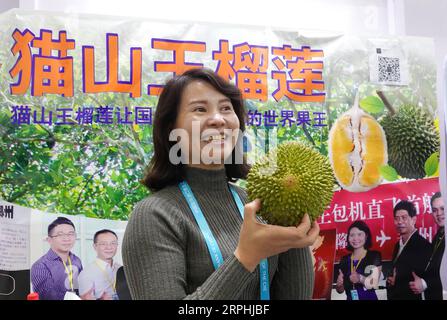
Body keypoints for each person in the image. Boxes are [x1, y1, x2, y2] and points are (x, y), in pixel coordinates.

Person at [122, 68, 319, 300]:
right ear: (171, 131)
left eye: (226, 108)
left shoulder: (260, 203)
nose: (218, 119)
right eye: (200, 109)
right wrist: (245, 257)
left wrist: (295, 231)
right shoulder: (154, 215)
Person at [386, 200, 431, 300]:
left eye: (404, 217)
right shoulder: (397, 245)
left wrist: (397, 280)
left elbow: (427, 278)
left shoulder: (423, 245)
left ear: (414, 220)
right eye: (397, 218)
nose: (400, 222)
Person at [31, 217, 83, 300]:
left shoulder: (76, 260)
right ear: (49, 240)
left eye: (70, 234)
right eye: (60, 234)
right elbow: (47, 296)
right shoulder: (40, 266)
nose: (66, 239)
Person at [408, 192, 445, 300]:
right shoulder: (438, 236)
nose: (439, 213)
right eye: (435, 210)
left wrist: (425, 283)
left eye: (443, 208)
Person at [335, 221, 382, 300]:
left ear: (366, 236)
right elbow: (340, 291)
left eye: (359, 234)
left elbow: (374, 283)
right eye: (352, 235)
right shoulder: (344, 260)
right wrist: (339, 285)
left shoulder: (374, 256)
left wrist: (360, 278)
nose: (355, 238)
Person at [78, 229, 122, 300]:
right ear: (95, 246)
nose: (109, 247)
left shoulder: (120, 268)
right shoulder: (86, 274)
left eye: (113, 243)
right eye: (103, 244)